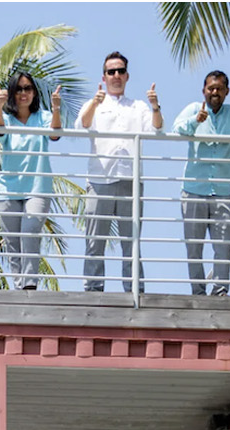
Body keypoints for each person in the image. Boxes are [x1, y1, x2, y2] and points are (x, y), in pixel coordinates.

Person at [172, 71, 230, 296]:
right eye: (210, 88)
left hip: (221, 191)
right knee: (194, 246)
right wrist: (196, 122)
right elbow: (176, 129)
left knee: (223, 244)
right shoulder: (194, 109)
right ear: (203, 90)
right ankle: (198, 291)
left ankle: (220, 290)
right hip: (193, 189)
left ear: (226, 92)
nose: (214, 92)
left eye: (219, 88)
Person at [76, 52, 162, 292]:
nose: (116, 75)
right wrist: (94, 102)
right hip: (99, 179)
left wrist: (156, 106)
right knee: (95, 241)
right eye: (111, 71)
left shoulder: (138, 106)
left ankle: (134, 291)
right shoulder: (94, 103)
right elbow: (82, 125)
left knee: (131, 243)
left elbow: (156, 128)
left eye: (120, 71)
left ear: (127, 76)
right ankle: (93, 290)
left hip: (130, 180)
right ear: (103, 76)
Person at [0, 71, 64, 290]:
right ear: (13, 93)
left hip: (37, 188)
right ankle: (19, 286)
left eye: (28, 88)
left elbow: (55, 134)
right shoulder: (6, 118)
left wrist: (56, 108)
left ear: (34, 92)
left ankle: (30, 285)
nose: (24, 93)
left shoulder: (42, 117)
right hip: (8, 189)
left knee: (30, 230)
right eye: (19, 89)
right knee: (12, 241)